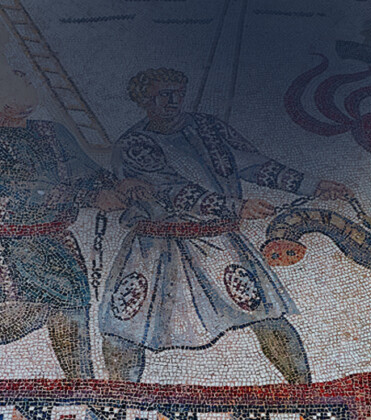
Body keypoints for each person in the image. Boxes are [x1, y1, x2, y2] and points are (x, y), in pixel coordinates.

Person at [98, 67, 354, 384]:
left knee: (267, 313)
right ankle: (119, 397)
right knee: (125, 324)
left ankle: (303, 389)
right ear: (144, 100)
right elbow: (171, 190)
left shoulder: (208, 127)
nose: (173, 100)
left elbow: (256, 165)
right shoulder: (134, 144)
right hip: (154, 249)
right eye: (163, 95)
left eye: (178, 93)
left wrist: (313, 185)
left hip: (218, 241)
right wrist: (237, 207)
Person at [0, 71, 140, 379]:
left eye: (28, 88)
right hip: (12, 242)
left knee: (69, 307)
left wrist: (119, 186)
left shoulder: (52, 132)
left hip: (56, 240)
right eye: (15, 90)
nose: (26, 97)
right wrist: (88, 196)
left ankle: (81, 383)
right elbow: (19, 190)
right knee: (35, 310)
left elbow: (87, 171)